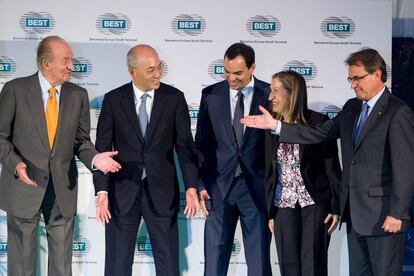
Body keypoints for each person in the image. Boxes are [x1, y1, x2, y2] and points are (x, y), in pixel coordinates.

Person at [241, 48, 414, 276]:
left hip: (384, 216)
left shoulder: (398, 112)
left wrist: (397, 212)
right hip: (356, 217)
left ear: (377, 74)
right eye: (350, 79)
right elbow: (320, 133)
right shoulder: (352, 108)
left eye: (357, 78)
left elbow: (405, 168)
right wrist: (277, 127)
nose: (353, 84)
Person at [0, 35, 121, 276]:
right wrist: (16, 164)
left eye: (71, 61)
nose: (71, 67)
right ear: (46, 64)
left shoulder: (78, 94)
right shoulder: (14, 90)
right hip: (24, 186)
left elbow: (81, 141)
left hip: (62, 189)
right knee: (21, 266)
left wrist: (96, 159)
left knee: (62, 266)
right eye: (65, 61)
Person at [93, 44, 199, 276]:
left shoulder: (174, 98)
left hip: (162, 193)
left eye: (159, 68)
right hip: (122, 194)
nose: (158, 74)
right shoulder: (113, 100)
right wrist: (102, 193)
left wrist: (191, 186)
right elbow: (101, 151)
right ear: (132, 72)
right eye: (151, 70)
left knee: (168, 265)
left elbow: (185, 148)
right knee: (117, 265)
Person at [195, 42, 272, 276]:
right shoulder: (211, 94)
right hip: (219, 188)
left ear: (252, 67)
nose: (231, 78)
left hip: (256, 191)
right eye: (226, 71)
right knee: (214, 262)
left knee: (259, 262)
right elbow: (201, 144)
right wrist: (200, 184)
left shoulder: (269, 94)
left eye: (238, 73)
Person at [263, 70, 341, 276]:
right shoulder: (268, 123)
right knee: (288, 267)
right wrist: (270, 211)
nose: (270, 96)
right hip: (283, 204)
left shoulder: (318, 121)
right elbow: (269, 171)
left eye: (275, 91)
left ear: (292, 93)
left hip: (315, 204)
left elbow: (331, 166)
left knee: (313, 266)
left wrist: (335, 206)